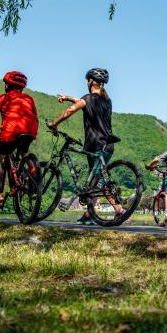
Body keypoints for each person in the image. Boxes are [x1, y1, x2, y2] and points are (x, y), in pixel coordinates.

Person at [48, 67, 123, 225]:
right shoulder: (107, 101)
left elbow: (71, 110)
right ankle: (90, 214)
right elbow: (82, 102)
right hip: (108, 145)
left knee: (98, 182)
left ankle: (119, 211)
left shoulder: (88, 98)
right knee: (96, 182)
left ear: (91, 81)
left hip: (96, 144)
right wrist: (68, 97)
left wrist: (54, 124)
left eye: (87, 80)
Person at [0, 71, 38, 209]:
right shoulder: (29, 99)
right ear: (22, 88)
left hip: (11, 131)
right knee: (24, 152)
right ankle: (34, 175)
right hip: (30, 131)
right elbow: (34, 115)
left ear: (6, 85)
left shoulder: (3, 98)